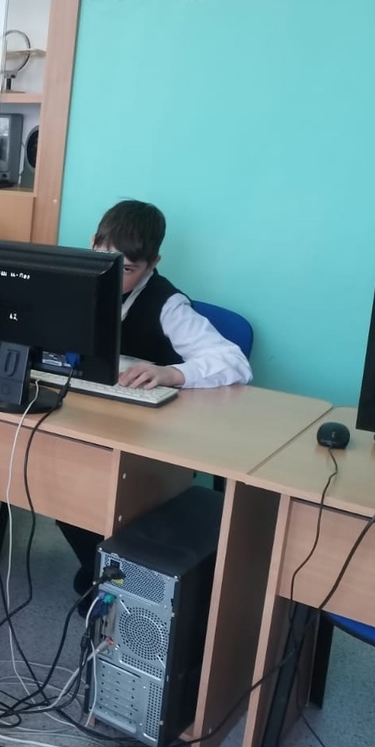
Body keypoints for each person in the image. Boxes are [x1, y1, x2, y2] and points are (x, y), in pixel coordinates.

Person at [59, 199, 253, 602]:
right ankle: (100, 570)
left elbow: (234, 363)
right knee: (53, 474)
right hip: (91, 417)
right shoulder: (75, 279)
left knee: (78, 482)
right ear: (93, 243)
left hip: (150, 438)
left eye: (128, 269)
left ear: (152, 264)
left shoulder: (168, 305)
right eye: (106, 258)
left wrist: (172, 373)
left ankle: (115, 582)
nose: (115, 275)